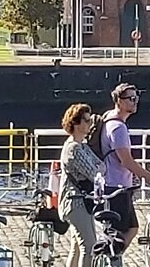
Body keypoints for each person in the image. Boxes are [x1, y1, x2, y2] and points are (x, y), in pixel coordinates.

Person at [100, 83, 150, 250]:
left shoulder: (108, 118)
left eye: (136, 97)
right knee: (126, 230)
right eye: (130, 99)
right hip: (116, 187)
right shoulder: (118, 127)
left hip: (110, 184)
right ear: (119, 101)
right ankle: (112, 258)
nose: (135, 101)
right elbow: (127, 161)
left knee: (124, 229)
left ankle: (111, 258)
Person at [59, 104, 105, 267]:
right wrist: (98, 170)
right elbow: (95, 173)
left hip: (80, 201)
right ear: (75, 123)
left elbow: (101, 166)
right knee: (90, 246)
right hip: (75, 202)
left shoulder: (82, 145)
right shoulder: (74, 149)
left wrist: (98, 170)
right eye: (86, 120)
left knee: (77, 247)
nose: (90, 124)